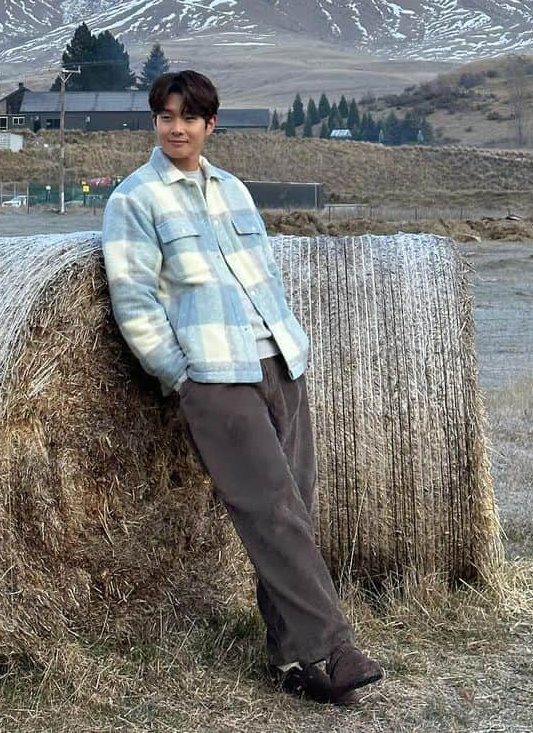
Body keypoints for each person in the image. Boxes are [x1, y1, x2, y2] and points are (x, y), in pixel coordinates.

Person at [101, 70, 383, 705]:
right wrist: (179, 375)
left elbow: (266, 276)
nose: (176, 127)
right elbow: (134, 299)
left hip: (278, 363)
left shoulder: (232, 190)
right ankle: (331, 649)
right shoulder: (134, 198)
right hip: (214, 375)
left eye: (188, 118)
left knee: (295, 510)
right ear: (154, 123)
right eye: (165, 116)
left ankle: (292, 661)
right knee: (270, 509)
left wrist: (290, 346)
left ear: (210, 125)